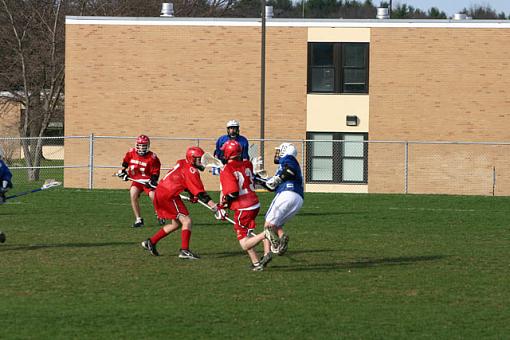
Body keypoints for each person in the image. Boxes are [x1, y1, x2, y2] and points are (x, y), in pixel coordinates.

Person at [141, 146, 226, 259]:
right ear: (191, 159)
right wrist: (216, 208)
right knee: (187, 221)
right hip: (168, 195)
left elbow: (185, 183)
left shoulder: (182, 162)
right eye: (198, 159)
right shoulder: (191, 171)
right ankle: (184, 250)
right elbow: (201, 194)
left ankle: (150, 242)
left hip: (163, 192)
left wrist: (191, 194)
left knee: (176, 224)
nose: (202, 162)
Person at [219, 140, 272, 271]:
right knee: (247, 233)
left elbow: (233, 193)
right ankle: (256, 263)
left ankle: (266, 235)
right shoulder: (247, 164)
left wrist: (223, 205)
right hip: (254, 203)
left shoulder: (227, 169)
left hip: (243, 207)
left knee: (244, 242)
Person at [255, 142, 304, 256]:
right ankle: (282, 238)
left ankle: (267, 254)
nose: (277, 154)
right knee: (276, 225)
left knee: (267, 226)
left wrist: (277, 178)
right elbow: (272, 187)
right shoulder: (285, 166)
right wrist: (259, 180)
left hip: (287, 193)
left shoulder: (288, 158)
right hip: (298, 198)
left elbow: (289, 171)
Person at [118, 135, 162, 228]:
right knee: (132, 193)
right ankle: (138, 219)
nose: (141, 147)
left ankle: (160, 214)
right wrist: (123, 172)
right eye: (140, 145)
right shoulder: (131, 153)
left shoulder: (152, 157)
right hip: (136, 180)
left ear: (148, 145)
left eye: (144, 145)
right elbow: (125, 164)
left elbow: (156, 172)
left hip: (147, 181)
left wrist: (153, 181)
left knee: (153, 196)